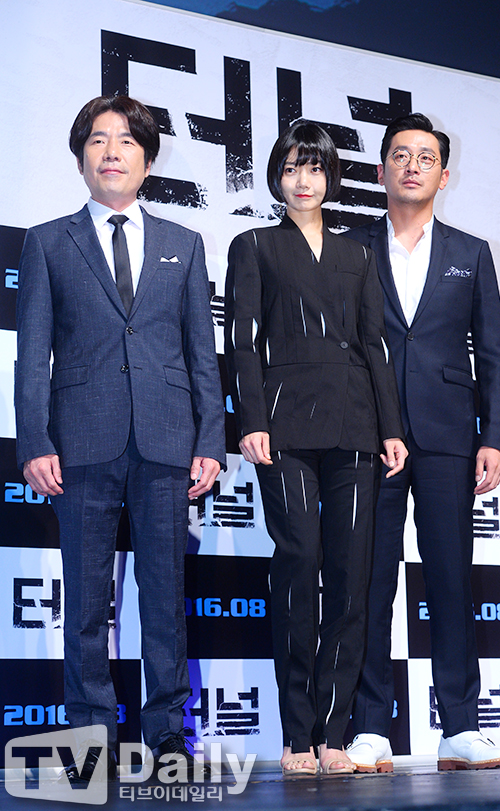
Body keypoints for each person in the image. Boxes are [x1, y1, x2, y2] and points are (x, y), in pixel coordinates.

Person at [15, 95, 226, 781]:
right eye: (99, 140)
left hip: (167, 440)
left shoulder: (183, 244)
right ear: (81, 157)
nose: (112, 151)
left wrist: (210, 439)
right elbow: (32, 354)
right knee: (85, 601)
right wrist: (33, 439)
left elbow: (201, 354)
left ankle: (167, 735)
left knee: (164, 599)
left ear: (148, 160)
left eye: (127, 140)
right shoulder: (48, 241)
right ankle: (91, 739)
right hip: (80, 440)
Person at [224, 120, 408, 776]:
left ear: (331, 176)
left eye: (315, 168)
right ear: (277, 176)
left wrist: (391, 427)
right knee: (300, 562)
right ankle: (296, 734)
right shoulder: (253, 245)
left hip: (355, 424)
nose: (303, 180)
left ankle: (335, 732)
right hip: (284, 427)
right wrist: (250, 419)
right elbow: (242, 341)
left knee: (352, 576)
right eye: (291, 168)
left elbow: (375, 345)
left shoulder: (358, 255)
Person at [345, 113, 500, 772]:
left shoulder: (471, 253)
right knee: (368, 583)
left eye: (425, 157)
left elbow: (494, 354)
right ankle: (369, 728)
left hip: (448, 435)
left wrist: (493, 436)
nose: (411, 165)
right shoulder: (351, 248)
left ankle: (460, 728)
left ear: (444, 175)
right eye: (400, 154)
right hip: (371, 435)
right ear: (381, 170)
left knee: (450, 582)